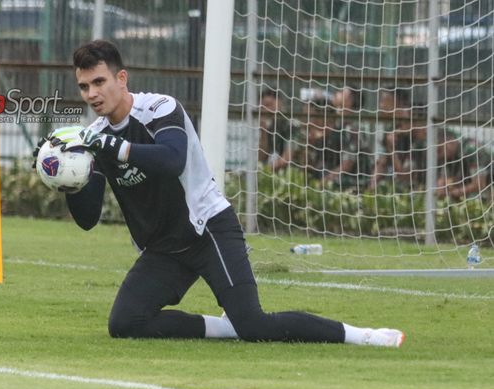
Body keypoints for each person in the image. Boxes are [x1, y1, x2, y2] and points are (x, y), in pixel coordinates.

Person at [37, 40, 405, 347]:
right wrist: (66, 178)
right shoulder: (95, 138)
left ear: (121, 78)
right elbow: (87, 220)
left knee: (256, 327)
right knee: (125, 323)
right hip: (163, 249)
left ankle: (361, 335)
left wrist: (108, 145)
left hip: (208, 230)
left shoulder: (160, 108)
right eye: (84, 86)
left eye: (99, 82)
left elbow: (172, 159)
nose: (92, 94)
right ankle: (224, 327)